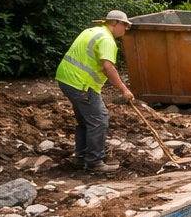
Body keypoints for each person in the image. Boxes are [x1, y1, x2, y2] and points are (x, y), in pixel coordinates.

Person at [55, 10, 135, 173]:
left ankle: (81, 158)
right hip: (81, 83)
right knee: (99, 120)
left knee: (86, 121)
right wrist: (124, 89)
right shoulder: (107, 40)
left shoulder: (91, 31)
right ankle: (94, 162)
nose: (125, 30)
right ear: (115, 23)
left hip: (67, 79)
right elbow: (107, 67)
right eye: (124, 26)